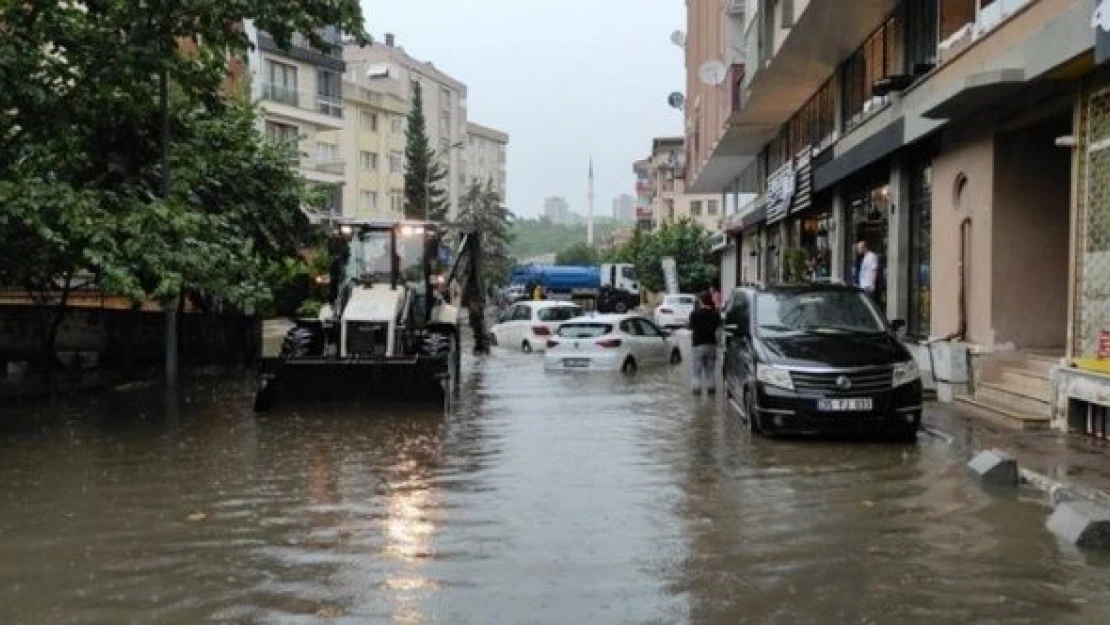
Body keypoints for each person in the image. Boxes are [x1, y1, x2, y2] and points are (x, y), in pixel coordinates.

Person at [687, 291, 721, 396]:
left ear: (701, 301)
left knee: (696, 373)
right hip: (711, 345)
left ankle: (696, 397)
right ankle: (711, 395)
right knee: (710, 372)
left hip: (698, 345)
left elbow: (691, 327)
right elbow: (718, 330)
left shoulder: (694, 313)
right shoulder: (715, 314)